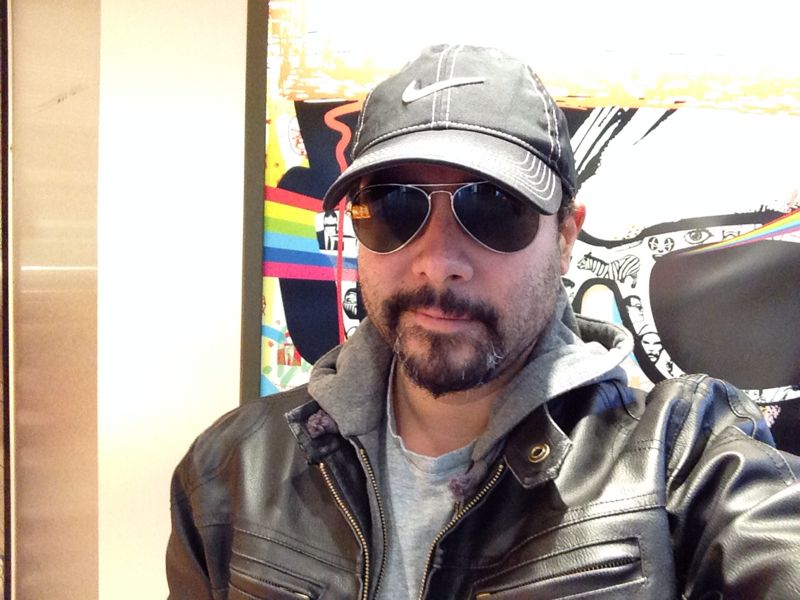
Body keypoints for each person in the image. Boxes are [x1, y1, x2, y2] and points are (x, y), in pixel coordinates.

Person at [166, 44, 800, 599]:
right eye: (392, 206)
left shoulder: (684, 457)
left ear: (565, 237)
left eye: (494, 206)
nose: (437, 262)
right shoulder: (231, 470)